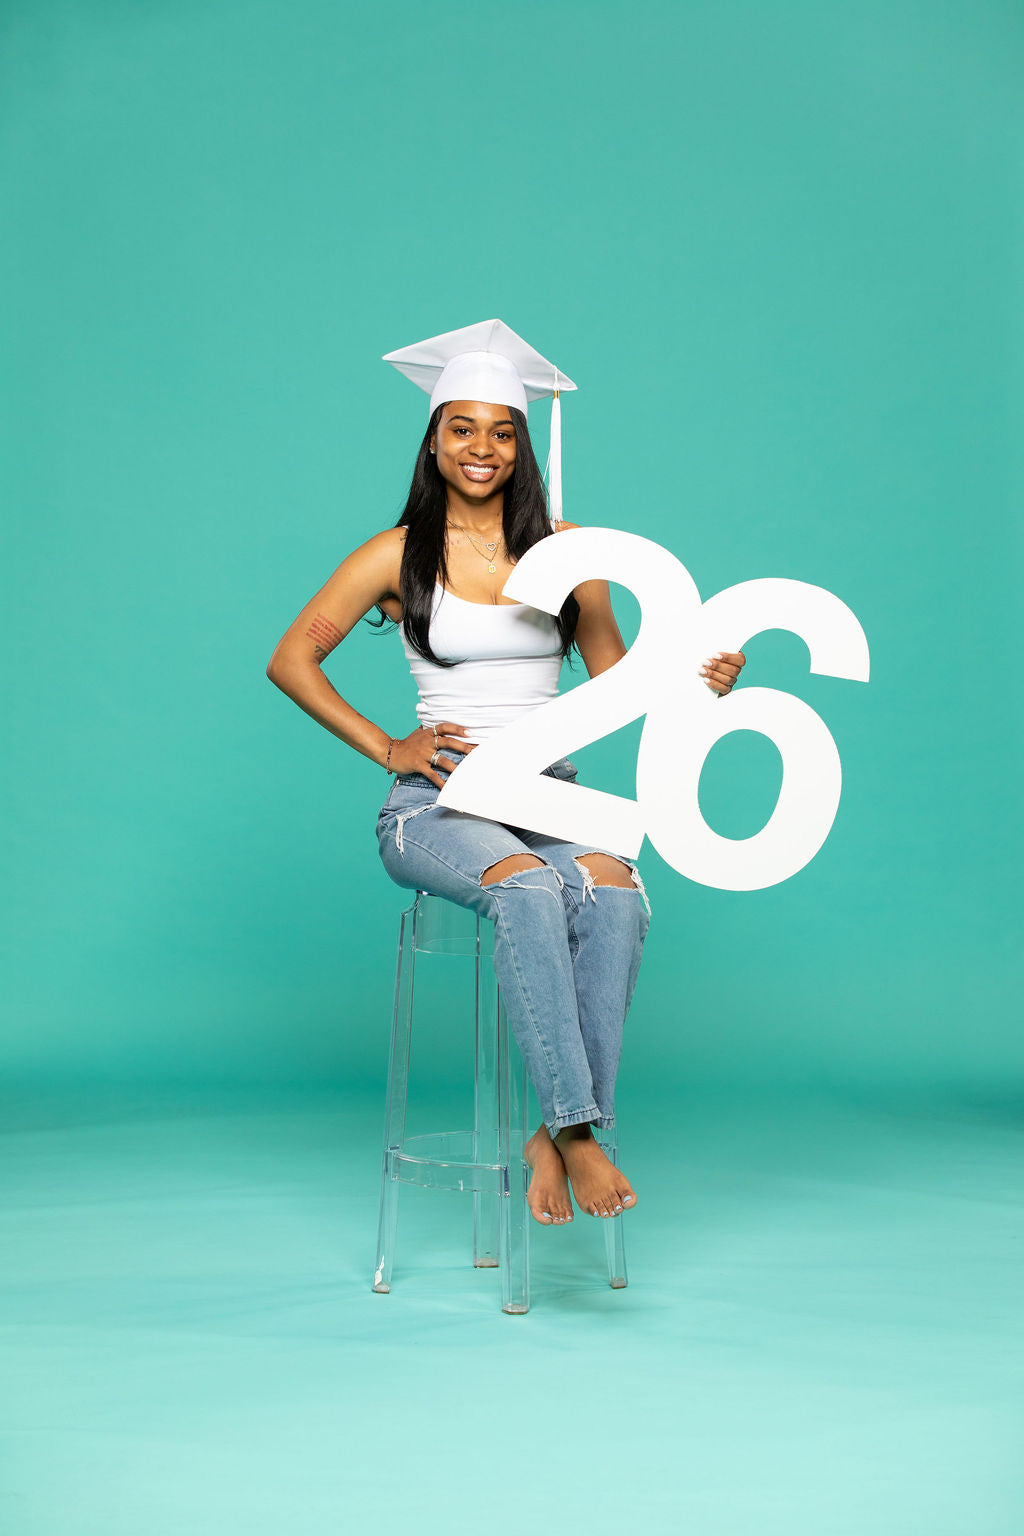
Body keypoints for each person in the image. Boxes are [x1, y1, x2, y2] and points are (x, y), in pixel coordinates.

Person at [266, 320, 745, 1229]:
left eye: (502, 432)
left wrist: (702, 678)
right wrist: (388, 746)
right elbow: (292, 659)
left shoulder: (570, 555)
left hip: (546, 791)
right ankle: (575, 1131)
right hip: (437, 804)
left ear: (522, 445)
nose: (481, 449)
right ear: (434, 439)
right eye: (462, 428)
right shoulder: (394, 554)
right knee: (527, 892)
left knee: (616, 893)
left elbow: (619, 678)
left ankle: (557, 1133)